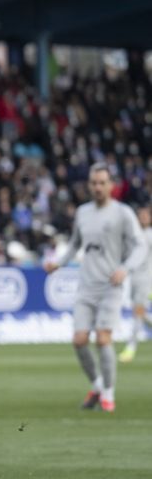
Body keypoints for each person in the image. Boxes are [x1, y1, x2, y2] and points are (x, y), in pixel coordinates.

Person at [44, 164, 147, 412]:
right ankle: (98, 385)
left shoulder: (122, 213)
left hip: (111, 285)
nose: (98, 187)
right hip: (86, 286)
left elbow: (140, 245)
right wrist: (58, 262)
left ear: (111, 185)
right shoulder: (82, 212)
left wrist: (126, 268)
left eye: (102, 183)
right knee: (79, 340)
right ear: (89, 185)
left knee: (103, 339)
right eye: (94, 183)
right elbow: (74, 245)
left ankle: (108, 395)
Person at [119, 206, 152, 362]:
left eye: (145, 215)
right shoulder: (135, 237)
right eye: (141, 215)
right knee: (139, 313)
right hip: (135, 280)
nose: (143, 218)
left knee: (138, 313)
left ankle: (131, 348)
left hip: (147, 281)